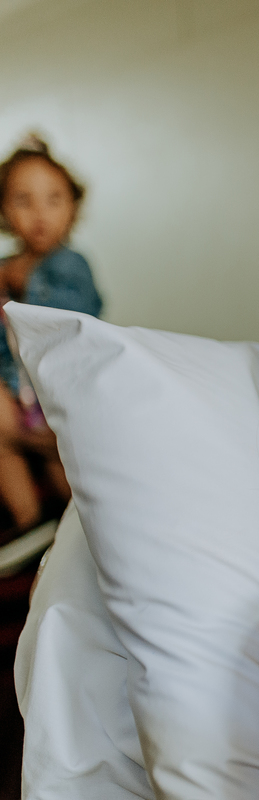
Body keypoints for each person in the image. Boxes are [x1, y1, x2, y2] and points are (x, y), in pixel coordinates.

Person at [0, 135, 102, 533]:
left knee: (65, 464)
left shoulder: (70, 264)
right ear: (5, 210)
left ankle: (77, 528)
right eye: (23, 201)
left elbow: (73, 317)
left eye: (53, 200)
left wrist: (25, 284)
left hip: (61, 390)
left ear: (72, 208)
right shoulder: (6, 266)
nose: (39, 214)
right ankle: (26, 522)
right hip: (18, 391)